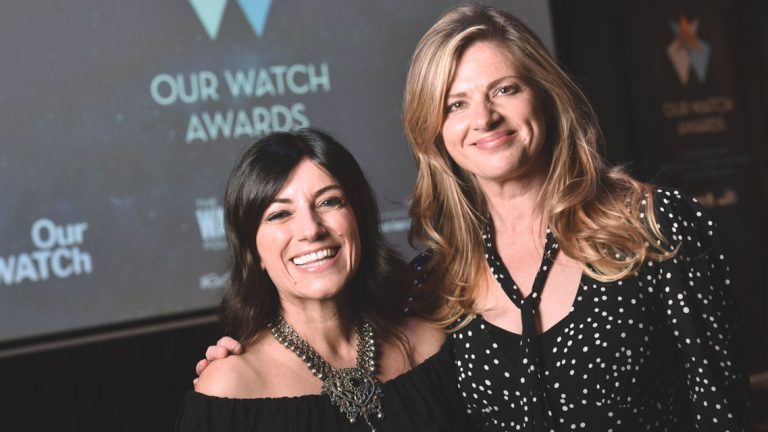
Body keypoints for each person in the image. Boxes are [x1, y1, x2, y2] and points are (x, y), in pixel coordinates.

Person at [196, 5, 753, 431]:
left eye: (504, 89)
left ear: (545, 97)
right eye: (456, 103)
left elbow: (723, 411)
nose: (483, 118)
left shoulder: (652, 225)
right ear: (436, 130)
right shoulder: (438, 284)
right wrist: (243, 375)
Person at [177, 129, 474, 431]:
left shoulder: (429, 345)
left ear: (359, 219)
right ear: (253, 252)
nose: (311, 230)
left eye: (329, 202)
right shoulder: (229, 389)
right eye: (279, 214)